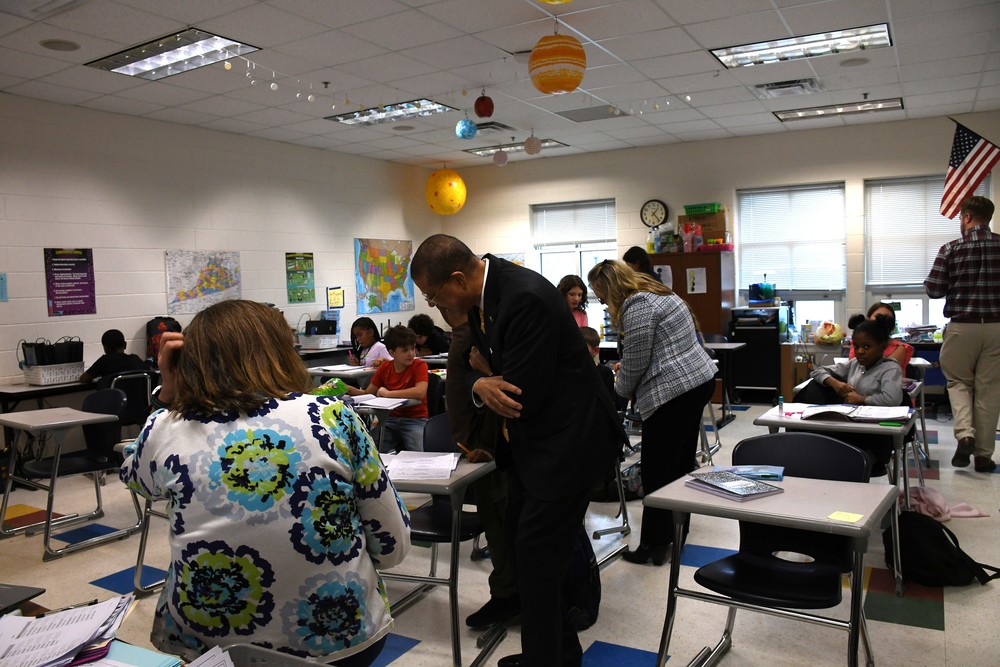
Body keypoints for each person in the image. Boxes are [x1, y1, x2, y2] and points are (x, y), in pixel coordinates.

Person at [119, 300, 411, 666]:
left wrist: (168, 391)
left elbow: (137, 479)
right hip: (342, 642)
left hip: (209, 648)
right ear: (281, 351)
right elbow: (392, 545)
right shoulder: (332, 416)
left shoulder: (165, 427)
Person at [410, 235, 625, 667]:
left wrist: (489, 377)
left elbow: (518, 394)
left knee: (538, 557)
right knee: (525, 547)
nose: (434, 306)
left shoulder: (521, 296)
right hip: (535, 444)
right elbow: (477, 368)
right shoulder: (484, 297)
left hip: (566, 444)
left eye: (434, 295)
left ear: (457, 277)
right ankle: (555, 654)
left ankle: (547, 660)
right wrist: (482, 381)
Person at [587, 260, 715, 567]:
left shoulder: (637, 306)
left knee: (657, 472)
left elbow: (636, 362)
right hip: (698, 382)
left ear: (611, 285)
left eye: (600, 293)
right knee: (681, 464)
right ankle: (677, 533)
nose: (601, 300)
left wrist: (617, 389)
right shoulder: (660, 293)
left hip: (674, 392)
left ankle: (653, 546)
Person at [438, 305, 518, 629]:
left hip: (487, 451)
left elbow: (493, 395)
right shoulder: (464, 331)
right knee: (497, 524)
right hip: (474, 447)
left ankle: (507, 597)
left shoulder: (475, 331)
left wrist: (485, 444)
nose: (432, 302)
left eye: (435, 293)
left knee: (500, 528)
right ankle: (507, 595)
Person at [925, 195, 1000, 473]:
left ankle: (965, 434)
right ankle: (983, 455)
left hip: (961, 326)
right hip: (997, 328)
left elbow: (934, 290)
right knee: (990, 390)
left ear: (967, 217)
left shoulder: (951, 249)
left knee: (958, 383)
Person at [807, 316, 904, 473]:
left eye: (866, 347)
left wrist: (862, 399)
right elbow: (817, 371)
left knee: (837, 459)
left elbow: (892, 399)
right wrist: (835, 383)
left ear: (882, 347)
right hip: (850, 429)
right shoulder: (854, 364)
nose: (860, 351)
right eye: (857, 346)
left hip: (874, 435)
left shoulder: (890, 369)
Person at [346, 325, 429, 452]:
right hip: (390, 420)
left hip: (415, 420)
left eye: (413, 349)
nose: (411, 354)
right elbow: (368, 393)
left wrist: (388, 394)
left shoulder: (419, 365)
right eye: (405, 350)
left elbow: (420, 392)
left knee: (420, 455)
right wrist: (348, 389)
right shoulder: (385, 368)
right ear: (391, 353)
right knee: (369, 450)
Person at [846, 303, 913, 373]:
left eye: (887, 317)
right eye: (878, 316)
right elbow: (853, 370)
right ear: (868, 319)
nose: (882, 320)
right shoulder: (859, 343)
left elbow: (883, 372)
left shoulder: (899, 348)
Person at [79, 329, 149, 384]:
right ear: (125, 345)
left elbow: (83, 379)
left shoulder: (104, 361)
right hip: (138, 401)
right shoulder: (135, 359)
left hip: (114, 401)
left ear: (105, 348)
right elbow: (152, 373)